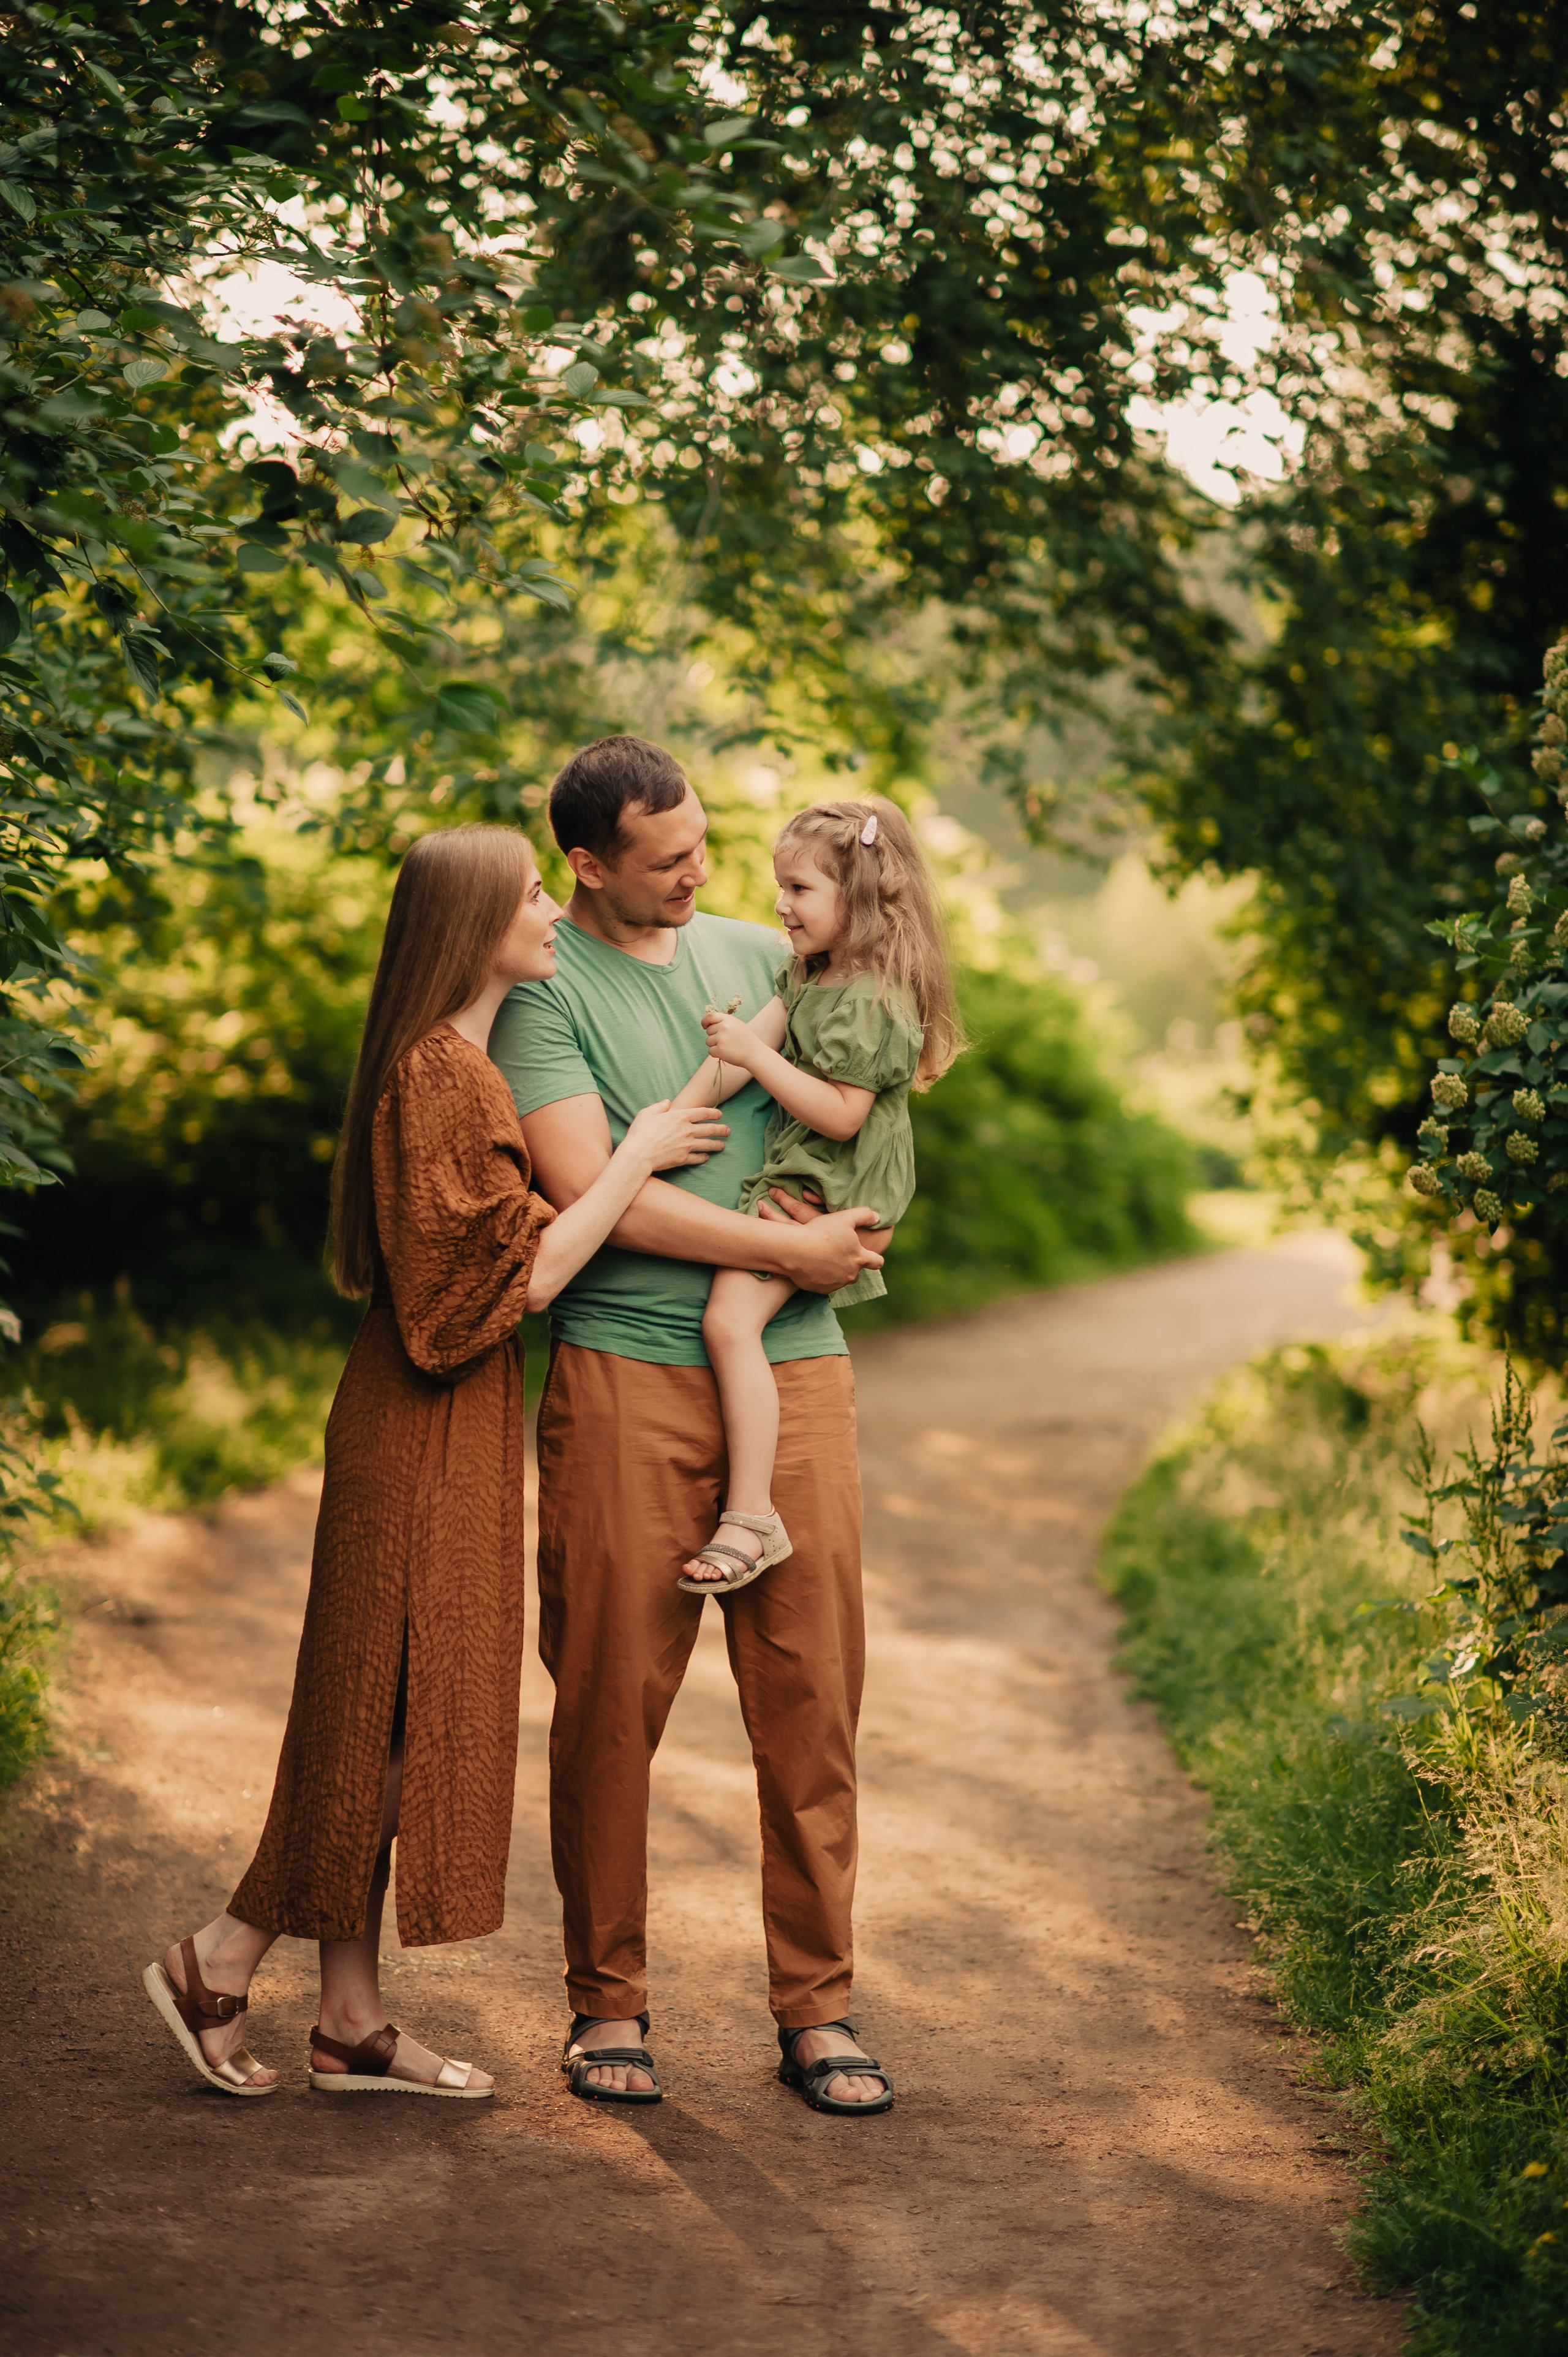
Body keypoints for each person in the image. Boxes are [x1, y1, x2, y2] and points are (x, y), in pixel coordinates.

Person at [143, 823, 726, 2099]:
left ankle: (350, 2017)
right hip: (420, 1415)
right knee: (394, 1730)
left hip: (436, 1418)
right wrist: (633, 1156)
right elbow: (493, 1290)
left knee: (391, 1703)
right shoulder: (442, 1072)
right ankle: (223, 1948)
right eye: (529, 895)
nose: (549, 911)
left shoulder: (457, 1063)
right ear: (474, 926)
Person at [488, 735, 898, 2116]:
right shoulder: (544, 995)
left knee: (812, 1704)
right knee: (609, 1702)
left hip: (801, 1378)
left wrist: (851, 1228)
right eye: (664, 862)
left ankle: (818, 2007)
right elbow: (590, 1194)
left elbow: (863, 1103)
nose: (696, 879)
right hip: (621, 1375)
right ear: (585, 865)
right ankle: (607, 2003)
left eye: (703, 849)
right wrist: (789, 1253)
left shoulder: (764, 947)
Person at [671, 797, 961, 1594]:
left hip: (835, 1190)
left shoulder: (872, 999)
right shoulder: (812, 974)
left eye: (799, 889)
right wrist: (669, 1123)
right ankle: (750, 1507)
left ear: (858, 900)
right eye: (780, 886)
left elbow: (840, 1113)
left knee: (729, 1324)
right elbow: (741, 1052)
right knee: (734, 1324)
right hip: (813, 1183)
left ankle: (753, 1516)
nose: (780, 905)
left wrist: (754, 1062)